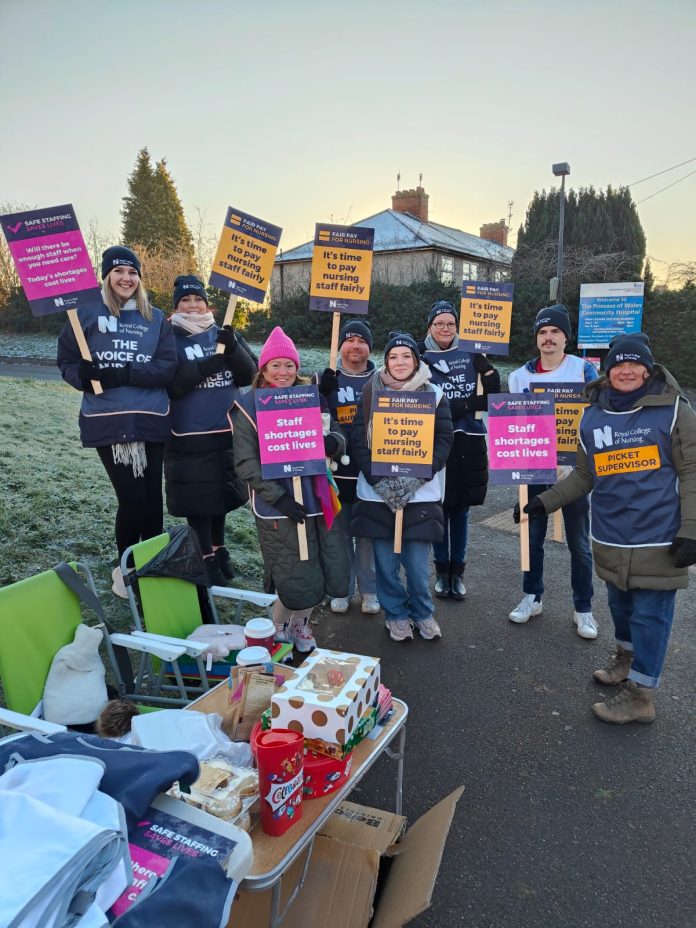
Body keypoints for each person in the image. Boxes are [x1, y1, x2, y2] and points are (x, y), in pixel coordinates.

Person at [524, 333, 696, 723]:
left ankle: (641, 695)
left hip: (659, 535)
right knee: (620, 606)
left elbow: (692, 471)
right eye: (619, 364)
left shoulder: (673, 410)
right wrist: (543, 502)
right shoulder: (593, 415)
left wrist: (692, 529)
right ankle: (627, 660)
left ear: (649, 368)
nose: (627, 370)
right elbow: (585, 477)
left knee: (651, 614)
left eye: (636, 364)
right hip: (610, 533)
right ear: (607, 370)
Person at [57, 246, 177, 597]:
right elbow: (66, 360)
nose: (126, 278)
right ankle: (125, 570)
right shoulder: (84, 315)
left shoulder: (155, 318)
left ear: (140, 278)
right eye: (119, 271)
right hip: (107, 420)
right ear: (106, 275)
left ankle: (152, 567)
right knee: (131, 500)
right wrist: (83, 374)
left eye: (133, 272)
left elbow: (167, 367)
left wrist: (125, 371)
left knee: (153, 501)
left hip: (151, 419)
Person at [232, 326, 350, 652]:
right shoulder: (248, 407)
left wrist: (332, 443)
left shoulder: (311, 398)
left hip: (318, 497)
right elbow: (245, 462)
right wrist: (278, 498)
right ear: (264, 368)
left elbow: (337, 435)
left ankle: (301, 626)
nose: (283, 372)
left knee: (322, 566)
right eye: (275, 365)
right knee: (292, 571)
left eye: (289, 365)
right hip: (278, 505)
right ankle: (278, 627)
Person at [349, 333, 454, 642]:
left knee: (418, 568)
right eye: (393, 357)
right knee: (386, 563)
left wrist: (415, 477)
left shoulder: (435, 394)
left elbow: (444, 440)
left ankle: (422, 612)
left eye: (406, 356)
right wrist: (379, 481)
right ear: (386, 362)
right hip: (379, 496)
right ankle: (395, 615)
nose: (399, 362)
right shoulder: (371, 391)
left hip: (420, 495)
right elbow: (358, 439)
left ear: (416, 361)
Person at [507, 304, 598, 638]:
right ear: (536, 339)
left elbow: (597, 415)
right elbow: (512, 425)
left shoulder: (584, 371)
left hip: (573, 473)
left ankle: (583, 608)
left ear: (565, 337)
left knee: (579, 543)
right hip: (535, 469)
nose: (548, 338)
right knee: (532, 537)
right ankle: (532, 596)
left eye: (555, 332)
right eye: (542, 332)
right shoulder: (519, 376)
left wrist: (573, 460)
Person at [164, 275, 258, 586]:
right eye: (185, 301)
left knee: (221, 498)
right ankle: (202, 554)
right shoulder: (168, 336)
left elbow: (251, 375)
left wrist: (233, 349)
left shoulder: (225, 333)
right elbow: (173, 384)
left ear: (208, 304)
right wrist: (206, 367)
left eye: (197, 299)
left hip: (227, 430)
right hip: (188, 434)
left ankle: (219, 548)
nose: (192, 305)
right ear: (176, 306)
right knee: (197, 501)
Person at [420, 300, 501, 599]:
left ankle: (458, 572)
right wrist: (467, 404)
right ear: (430, 326)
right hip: (435, 441)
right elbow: (422, 404)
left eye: (450, 324)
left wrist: (487, 369)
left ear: (458, 327)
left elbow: (494, 397)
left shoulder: (472, 352)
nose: (445, 328)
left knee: (462, 510)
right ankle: (441, 570)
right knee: (440, 507)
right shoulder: (418, 356)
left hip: (469, 438)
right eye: (439, 323)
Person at [316, 319, 380, 615]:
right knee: (339, 537)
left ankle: (369, 590)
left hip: (369, 471)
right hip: (336, 474)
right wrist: (320, 392)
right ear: (340, 345)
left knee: (367, 537)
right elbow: (310, 419)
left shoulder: (382, 378)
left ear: (369, 347)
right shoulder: (325, 377)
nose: (356, 346)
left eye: (362, 341)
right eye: (349, 340)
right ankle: (341, 588)